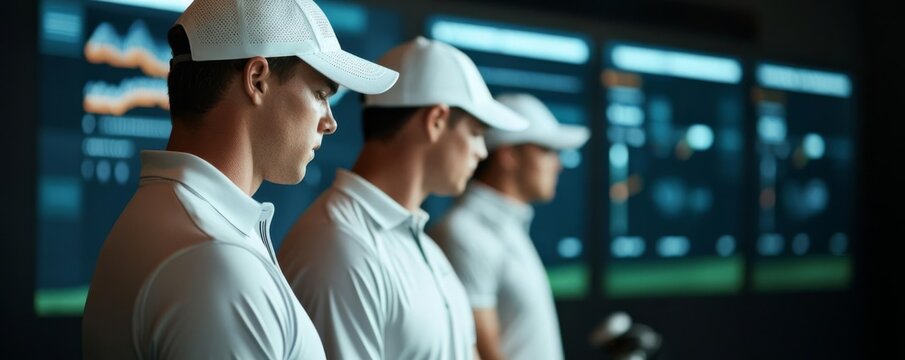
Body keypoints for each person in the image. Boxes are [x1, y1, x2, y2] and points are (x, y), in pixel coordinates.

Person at [82, 0, 398, 358]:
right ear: (257, 80)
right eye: (320, 94)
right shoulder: (213, 263)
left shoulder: (178, 222)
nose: (330, 121)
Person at [278, 37, 528, 359]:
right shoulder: (341, 246)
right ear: (436, 120)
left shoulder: (418, 245)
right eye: (476, 133)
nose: (482, 151)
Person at [429, 93, 590, 360]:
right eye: (546, 150)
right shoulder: (464, 232)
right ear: (509, 155)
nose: (558, 165)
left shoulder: (507, 227)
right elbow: (483, 353)